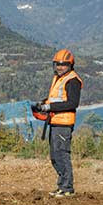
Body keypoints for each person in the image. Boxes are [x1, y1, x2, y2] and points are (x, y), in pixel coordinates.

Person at [32, 49, 83, 197]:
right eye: (57, 64)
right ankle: (62, 186)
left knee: (61, 155)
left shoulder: (72, 80)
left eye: (63, 65)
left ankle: (67, 188)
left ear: (70, 65)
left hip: (64, 124)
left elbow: (73, 103)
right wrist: (42, 103)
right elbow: (55, 98)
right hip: (55, 121)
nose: (59, 67)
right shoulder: (59, 78)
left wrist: (49, 107)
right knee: (55, 155)